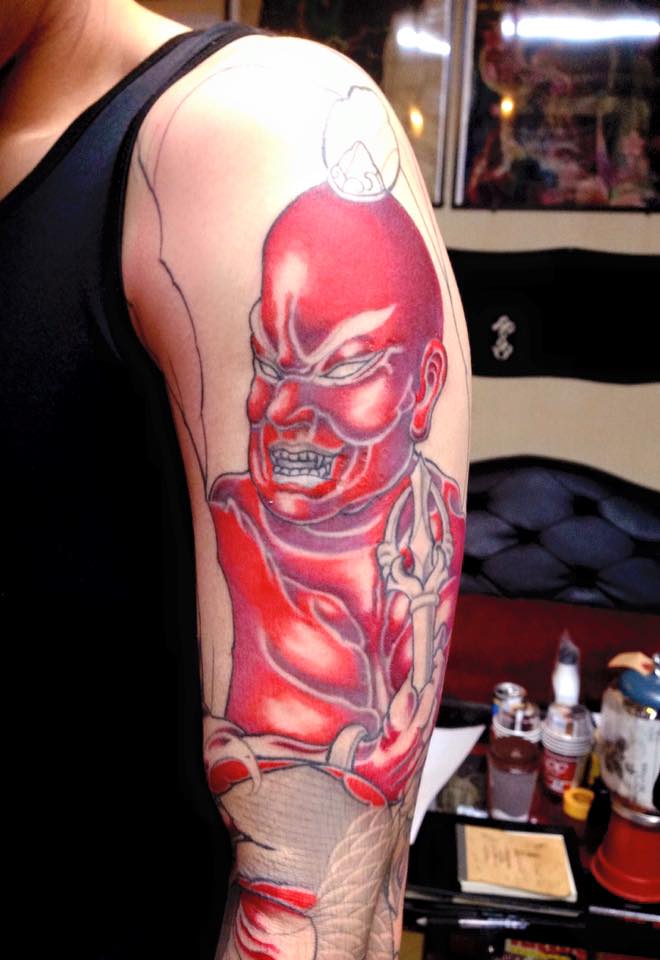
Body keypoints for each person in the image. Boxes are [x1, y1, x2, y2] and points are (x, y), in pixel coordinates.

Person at [1, 2, 470, 957]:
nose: (287, 409)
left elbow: (324, 920)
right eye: (272, 364)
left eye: (343, 366)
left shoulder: (255, 130)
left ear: (417, 387)